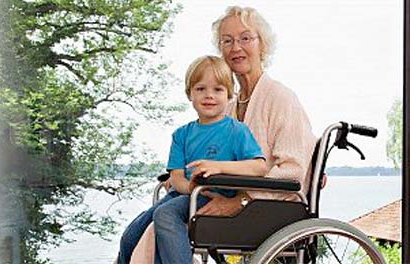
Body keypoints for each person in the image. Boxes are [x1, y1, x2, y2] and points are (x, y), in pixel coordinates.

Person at [128, 5, 319, 263]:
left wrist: (241, 201)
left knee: (162, 220)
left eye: (245, 38)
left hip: (266, 207)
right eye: (227, 41)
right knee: (137, 231)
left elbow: (293, 170)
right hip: (220, 195)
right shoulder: (227, 107)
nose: (235, 47)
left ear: (262, 45)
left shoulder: (281, 98)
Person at [116, 55, 267, 264]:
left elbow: (259, 167)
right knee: (131, 235)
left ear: (229, 94)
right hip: (187, 194)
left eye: (218, 90)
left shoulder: (237, 132)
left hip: (214, 195)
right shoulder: (181, 135)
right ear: (190, 93)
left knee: (166, 215)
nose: (209, 96)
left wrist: (218, 167)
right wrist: (190, 187)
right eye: (200, 89)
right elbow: (177, 177)